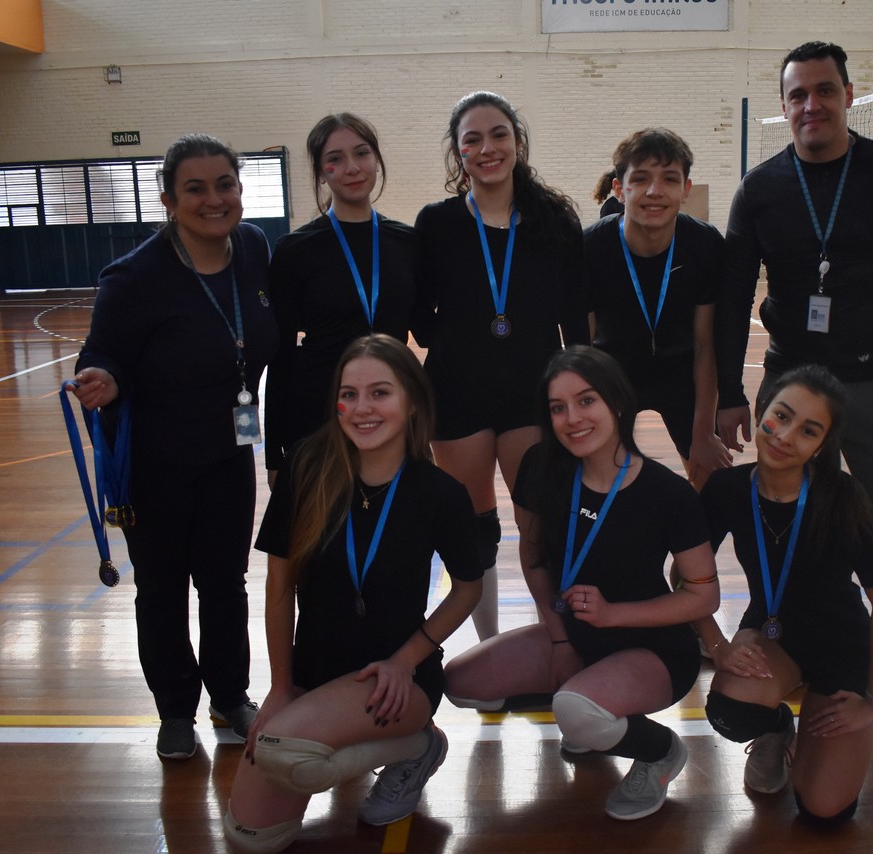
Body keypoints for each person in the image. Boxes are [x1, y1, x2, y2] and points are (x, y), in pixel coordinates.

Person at [715, 40, 873, 713]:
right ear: (784, 105)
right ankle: (799, 636)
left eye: (825, 90)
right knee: (789, 523)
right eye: (798, 94)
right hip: (791, 384)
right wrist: (731, 393)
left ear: (849, 95)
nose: (811, 105)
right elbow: (733, 299)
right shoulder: (760, 189)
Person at [224, 335, 483, 851]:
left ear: (412, 402)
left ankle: (417, 745)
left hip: (392, 681)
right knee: (252, 836)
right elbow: (279, 587)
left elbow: (468, 589)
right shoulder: (306, 468)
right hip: (314, 675)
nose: (362, 408)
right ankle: (338, 735)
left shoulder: (440, 493)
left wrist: (405, 662)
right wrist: (281, 686)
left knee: (284, 750)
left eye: (380, 393)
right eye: (349, 395)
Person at [443, 345, 720, 821]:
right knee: (461, 684)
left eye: (586, 400)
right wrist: (558, 639)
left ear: (618, 402)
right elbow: (534, 559)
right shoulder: (540, 467)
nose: (572, 419)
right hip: (575, 633)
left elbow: (704, 595)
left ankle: (658, 750)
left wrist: (614, 614)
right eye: (558, 407)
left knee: (576, 712)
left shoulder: (667, 492)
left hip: (653, 647)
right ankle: (590, 707)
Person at [70, 133, 278, 758]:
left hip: (229, 456)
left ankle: (230, 696)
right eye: (195, 188)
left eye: (225, 185)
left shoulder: (253, 248)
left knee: (226, 585)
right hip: (155, 468)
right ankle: (175, 711)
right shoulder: (134, 277)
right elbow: (101, 353)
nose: (214, 199)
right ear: (168, 200)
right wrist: (103, 377)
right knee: (162, 592)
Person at [415, 91, 589, 642]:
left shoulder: (553, 220)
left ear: (517, 142)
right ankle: (488, 643)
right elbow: (418, 313)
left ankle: (553, 640)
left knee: (538, 522)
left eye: (499, 135)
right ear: (458, 152)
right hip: (457, 392)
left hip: (531, 393)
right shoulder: (436, 223)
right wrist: (458, 339)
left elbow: (574, 319)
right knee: (473, 525)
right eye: (473, 139)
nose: (487, 148)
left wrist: (581, 390)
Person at [697, 365, 873, 827]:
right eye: (781, 416)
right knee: (731, 708)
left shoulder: (844, 497)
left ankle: (815, 735)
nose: (786, 436)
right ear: (761, 412)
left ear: (822, 446)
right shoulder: (727, 489)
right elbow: (685, 576)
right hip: (773, 635)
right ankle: (775, 730)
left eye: (808, 430)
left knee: (824, 811)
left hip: (842, 648)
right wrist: (718, 645)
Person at [262, 113, 421, 487]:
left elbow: (429, 328)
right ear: (321, 173)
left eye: (362, 153)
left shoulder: (408, 243)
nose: (351, 167)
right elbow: (281, 355)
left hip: (391, 407)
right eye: (335, 159)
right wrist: (275, 453)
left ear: (376, 160)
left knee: (390, 518)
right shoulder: (294, 250)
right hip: (319, 413)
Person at [584, 128, 730, 491]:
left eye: (669, 179)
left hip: (682, 372)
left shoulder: (705, 244)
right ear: (619, 189)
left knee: (712, 484)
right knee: (602, 484)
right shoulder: (591, 247)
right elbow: (581, 349)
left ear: (686, 189)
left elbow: (705, 345)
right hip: (612, 372)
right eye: (640, 179)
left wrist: (703, 433)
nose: (654, 191)